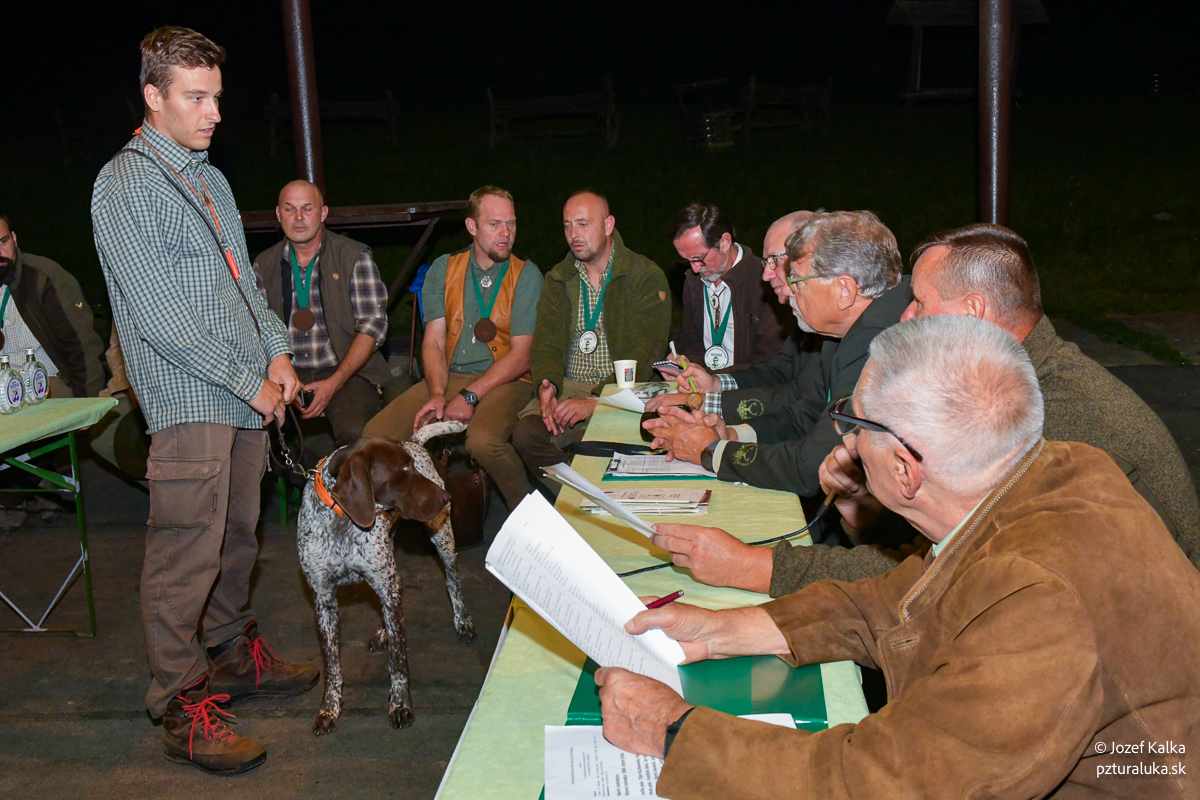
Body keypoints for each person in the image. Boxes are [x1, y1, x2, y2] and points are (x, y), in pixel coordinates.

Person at [596, 315, 1200, 799]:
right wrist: (727, 629)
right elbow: (903, 599)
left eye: (855, 424)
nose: (848, 441)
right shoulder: (1053, 472)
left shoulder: (1039, 601)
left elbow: (888, 783)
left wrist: (674, 732)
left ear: (906, 469)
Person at [655, 223, 1200, 598]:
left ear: (973, 312)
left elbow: (944, 578)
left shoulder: (1048, 418)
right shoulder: (1018, 382)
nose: (904, 317)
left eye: (918, 302)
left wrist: (755, 566)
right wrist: (861, 509)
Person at [90, 26, 316, 775]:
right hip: (190, 398)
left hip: (245, 394)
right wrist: (249, 380)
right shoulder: (124, 186)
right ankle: (180, 702)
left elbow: (245, 289)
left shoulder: (209, 180)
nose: (214, 112)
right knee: (185, 553)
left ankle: (231, 655)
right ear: (152, 97)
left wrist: (277, 352)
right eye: (196, 97)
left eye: (216, 96)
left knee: (237, 535)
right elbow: (160, 316)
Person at [644, 211, 911, 507]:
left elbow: (810, 466)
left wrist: (712, 451)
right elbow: (805, 414)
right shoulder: (842, 334)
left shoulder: (877, 342)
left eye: (797, 278)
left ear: (844, 290)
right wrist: (730, 434)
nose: (775, 279)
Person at [363, 186, 542, 510]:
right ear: (472, 226)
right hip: (451, 376)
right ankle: (406, 514)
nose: (506, 233)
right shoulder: (444, 269)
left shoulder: (526, 275)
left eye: (511, 223)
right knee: (375, 436)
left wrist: (470, 396)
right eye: (495, 224)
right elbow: (433, 341)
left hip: (506, 379)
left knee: (483, 442)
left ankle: (530, 515)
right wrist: (436, 392)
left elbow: (521, 356)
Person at [511, 191, 670, 488]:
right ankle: (576, 500)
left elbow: (646, 353)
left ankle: (592, 500)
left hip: (621, 388)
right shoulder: (558, 278)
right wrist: (547, 385)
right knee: (526, 435)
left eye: (583, 224)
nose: (574, 234)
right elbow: (546, 343)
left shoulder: (643, 275)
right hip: (568, 387)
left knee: (596, 439)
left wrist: (597, 401)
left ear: (608, 225)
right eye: (567, 225)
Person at [253, 179, 389, 448]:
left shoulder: (353, 256)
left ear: (323, 212)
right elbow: (254, 329)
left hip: (346, 370)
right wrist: (281, 376)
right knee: (257, 432)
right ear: (278, 214)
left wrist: (334, 382)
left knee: (354, 433)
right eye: (289, 209)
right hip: (286, 370)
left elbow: (372, 327)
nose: (298, 218)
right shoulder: (263, 264)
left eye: (307, 208)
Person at [669, 202, 789, 371]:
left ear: (724, 242)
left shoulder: (765, 281)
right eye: (686, 260)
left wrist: (718, 380)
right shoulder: (693, 281)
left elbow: (770, 362)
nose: (694, 269)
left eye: (698, 258)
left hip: (750, 384)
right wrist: (682, 364)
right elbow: (691, 343)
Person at [0, 212, 105, 398]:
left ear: (14, 239)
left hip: (49, 386)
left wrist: (87, 404)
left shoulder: (43, 277)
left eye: (3, 242)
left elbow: (82, 346)